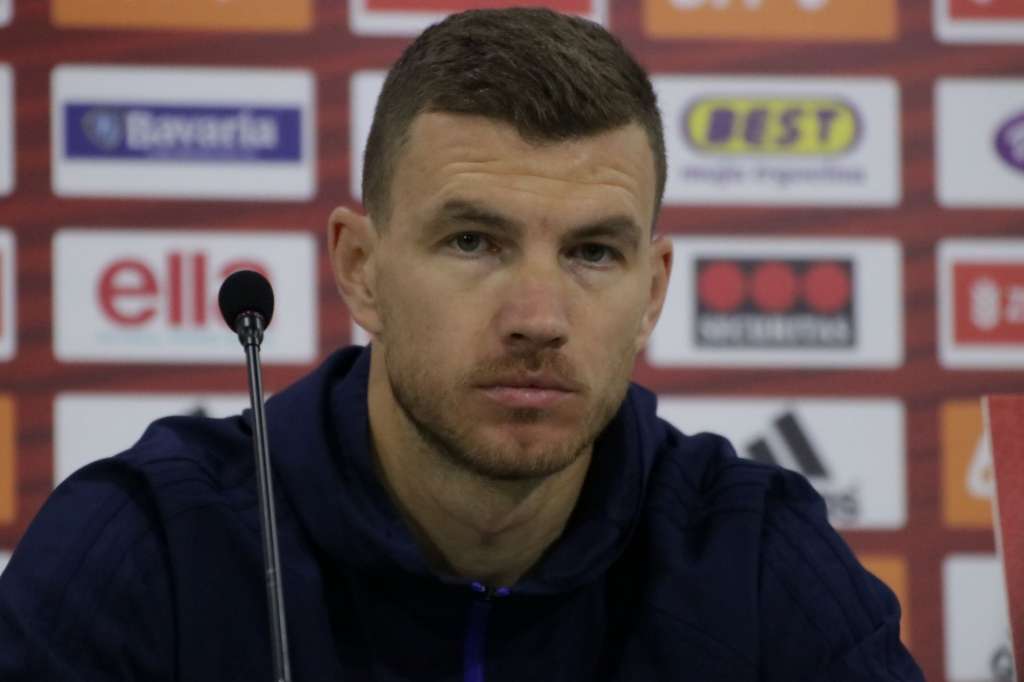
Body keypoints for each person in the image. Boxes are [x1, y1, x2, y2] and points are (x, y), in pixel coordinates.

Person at [0, 8, 923, 681]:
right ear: (361, 269)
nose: (538, 316)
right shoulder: (150, 547)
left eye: (593, 253)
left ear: (652, 291)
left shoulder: (750, 555)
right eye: (473, 241)